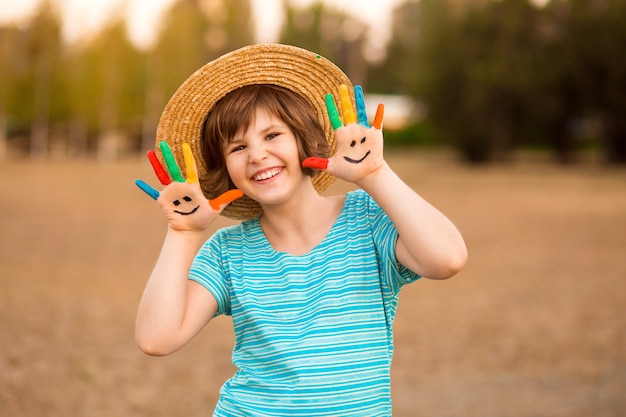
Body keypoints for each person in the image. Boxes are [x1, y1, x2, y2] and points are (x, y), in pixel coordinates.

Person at [135, 44, 467, 416]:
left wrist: (374, 174)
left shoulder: (369, 221)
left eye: (273, 135)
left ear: (303, 138)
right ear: (224, 168)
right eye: (238, 146)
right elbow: (155, 338)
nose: (257, 155)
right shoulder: (228, 252)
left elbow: (447, 259)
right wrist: (182, 233)